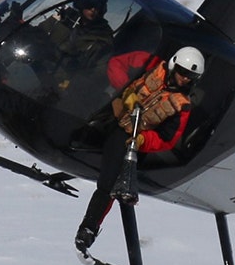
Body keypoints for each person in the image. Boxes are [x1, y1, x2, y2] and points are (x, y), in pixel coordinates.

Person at [74, 46, 203, 253]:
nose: (185, 79)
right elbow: (116, 64)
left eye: (190, 77)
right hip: (111, 108)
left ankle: (88, 228)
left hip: (128, 136)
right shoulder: (150, 62)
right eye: (182, 72)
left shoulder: (182, 106)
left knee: (109, 182)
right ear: (173, 65)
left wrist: (141, 139)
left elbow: (166, 140)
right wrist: (124, 90)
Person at [41, 0, 114, 86]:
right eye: (89, 4)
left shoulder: (102, 37)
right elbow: (39, 34)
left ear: (103, 8)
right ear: (80, 4)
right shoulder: (64, 19)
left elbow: (97, 75)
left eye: (98, 5)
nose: (93, 9)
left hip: (62, 88)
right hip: (41, 72)